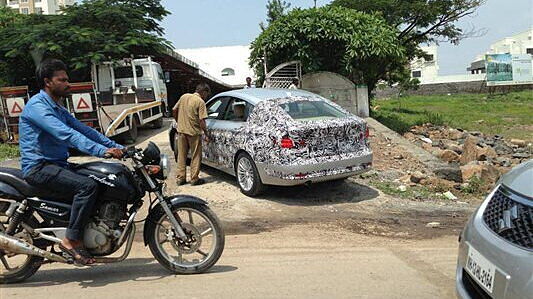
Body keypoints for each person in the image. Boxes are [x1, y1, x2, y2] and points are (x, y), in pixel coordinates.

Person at [19, 58, 124, 265]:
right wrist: (102, 151)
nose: (68, 84)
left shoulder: (57, 108)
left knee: (100, 178)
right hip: (39, 167)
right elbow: (66, 134)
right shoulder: (38, 107)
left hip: (57, 165)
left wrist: (118, 147)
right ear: (48, 82)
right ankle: (71, 240)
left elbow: (83, 130)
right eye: (63, 80)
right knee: (87, 186)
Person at [172, 83, 210, 186]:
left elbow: (174, 110)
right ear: (203, 92)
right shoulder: (200, 102)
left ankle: (181, 178)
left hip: (181, 131)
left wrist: (178, 121)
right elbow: (202, 120)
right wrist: (206, 133)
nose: (206, 96)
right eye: (207, 94)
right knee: (196, 156)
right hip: (194, 133)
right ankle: (194, 179)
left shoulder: (184, 96)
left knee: (181, 155)